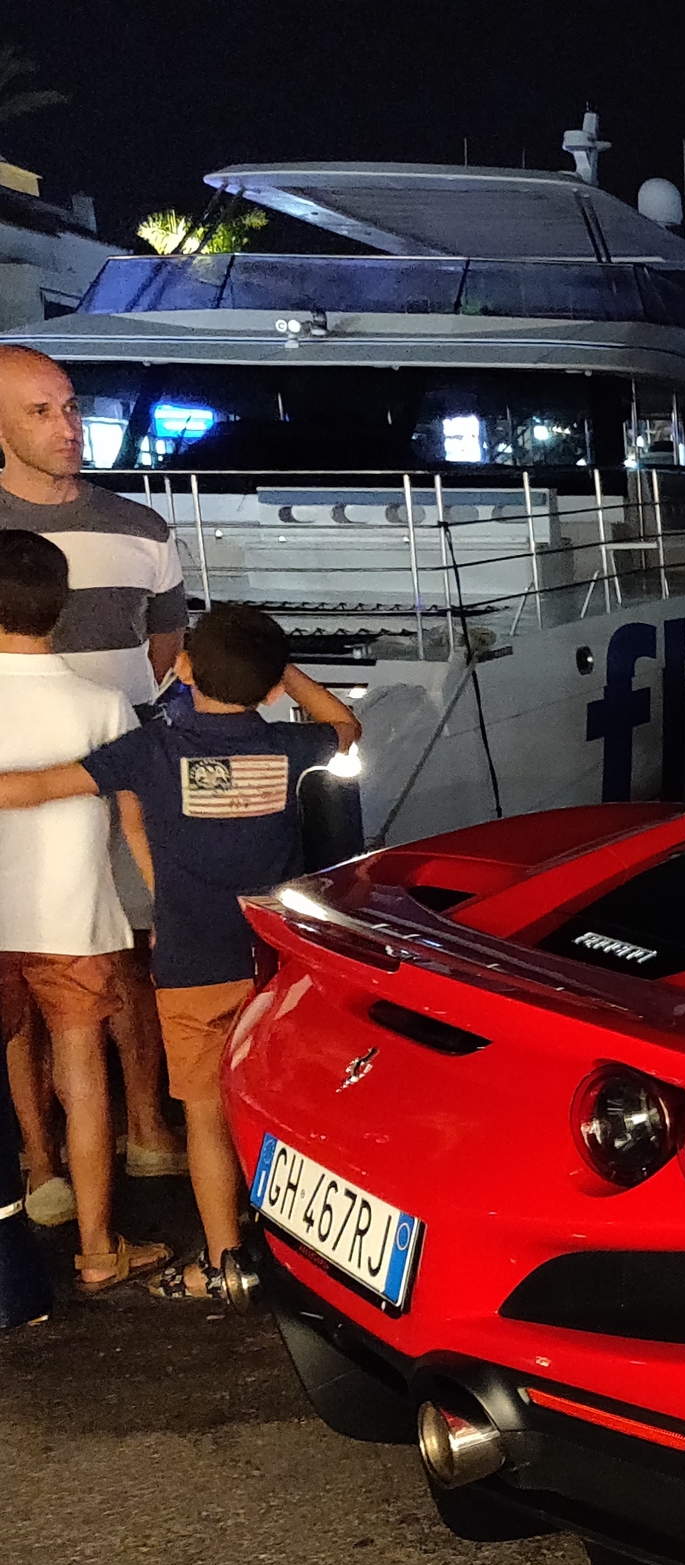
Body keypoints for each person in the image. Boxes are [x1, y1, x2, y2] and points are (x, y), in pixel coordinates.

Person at [0, 603, 358, 1295]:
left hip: (192, 967)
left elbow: (41, 786)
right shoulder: (289, 750)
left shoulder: (153, 750)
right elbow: (345, 726)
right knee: (281, 1107)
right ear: (274, 688)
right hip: (274, 966)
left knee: (203, 1113)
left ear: (185, 669)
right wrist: (282, 671)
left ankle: (226, 1261)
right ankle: (302, 1252)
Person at [0, 342, 186, 1182]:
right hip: (26, 783)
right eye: (42, 411)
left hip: (125, 777)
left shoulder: (142, 527)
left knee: (133, 954)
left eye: (71, 406)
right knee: (28, 973)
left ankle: (145, 1126)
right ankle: (44, 1165)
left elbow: (165, 647)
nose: (69, 426)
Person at [0, 530, 168, 1290]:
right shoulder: (104, 707)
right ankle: (100, 1246)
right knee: (84, 1075)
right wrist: (167, 911)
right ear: (59, 608)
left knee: (12, 1047)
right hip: (76, 922)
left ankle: (38, 1171)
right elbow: (140, 828)